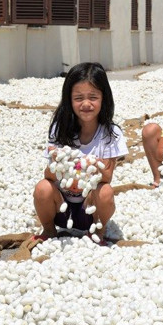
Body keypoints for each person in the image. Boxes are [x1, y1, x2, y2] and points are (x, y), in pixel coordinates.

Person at [32, 62, 127, 243]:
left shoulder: (111, 134)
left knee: (105, 192)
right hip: (61, 207)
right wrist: (56, 162)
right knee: (42, 188)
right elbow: (48, 175)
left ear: (103, 98)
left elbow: (107, 176)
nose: (86, 104)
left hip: (89, 208)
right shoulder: (59, 129)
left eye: (93, 97)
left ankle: (98, 231)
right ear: (69, 99)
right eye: (78, 98)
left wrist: (87, 168)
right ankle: (50, 230)